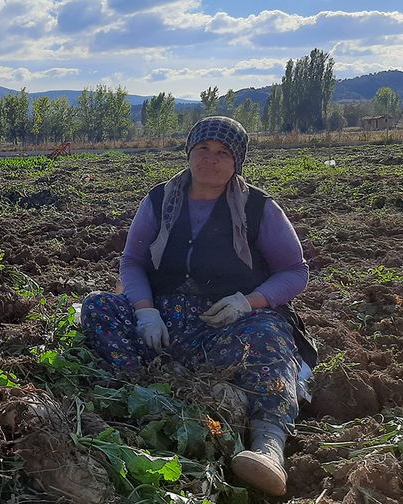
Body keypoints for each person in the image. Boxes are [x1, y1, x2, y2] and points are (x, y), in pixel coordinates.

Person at [81, 116, 317, 497]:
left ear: (237, 161)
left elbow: (294, 272)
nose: (211, 160)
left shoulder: (258, 208)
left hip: (226, 322)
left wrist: (247, 302)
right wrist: (145, 310)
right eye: (203, 149)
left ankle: (268, 446)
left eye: (223, 153)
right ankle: (148, 387)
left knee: (270, 333)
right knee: (97, 308)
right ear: (189, 152)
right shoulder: (160, 200)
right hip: (164, 323)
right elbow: (132, 262)